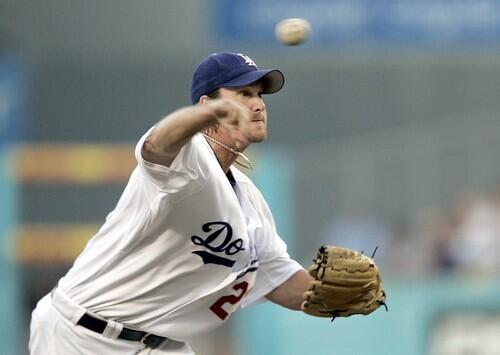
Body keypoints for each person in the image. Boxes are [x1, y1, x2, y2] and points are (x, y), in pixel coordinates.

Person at [29, 52, 314, 355]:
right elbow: (157, 144)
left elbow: (280, 280)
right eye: (243, 93)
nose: (258, 104)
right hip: (83, 335)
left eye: (259, 94)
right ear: (208, 104)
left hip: (161, 345)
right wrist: (208, 116)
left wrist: (347, 296)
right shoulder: (186, 155)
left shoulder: (249, 199)